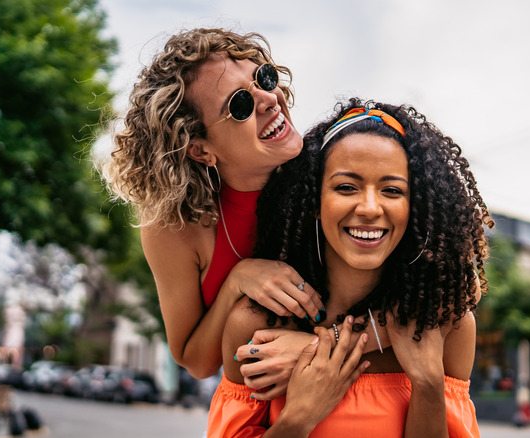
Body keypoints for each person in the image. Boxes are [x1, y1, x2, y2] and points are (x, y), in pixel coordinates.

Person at [208, 99, 493, 437]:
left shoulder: (449, 327)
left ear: (412, 208)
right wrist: (298, 418)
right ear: (315, 201)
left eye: (392, 190)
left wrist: (428, 384)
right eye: (346, 187)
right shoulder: (257, 325)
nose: (370, 208)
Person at [100, 28, 325, 381]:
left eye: (263, 78)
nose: (268, 99)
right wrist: (238, 280)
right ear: (201, 149)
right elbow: (196, 361)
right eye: (240, 105)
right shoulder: (176, 227)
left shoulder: (338, 178)